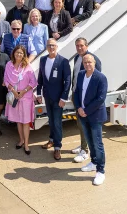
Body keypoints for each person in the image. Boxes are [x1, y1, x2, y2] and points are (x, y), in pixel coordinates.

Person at [73, 54, 108, 186]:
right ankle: (93, 162)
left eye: (90, 62)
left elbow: (100, 99)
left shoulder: (101, 78)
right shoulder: (81, 74)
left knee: (98, 143)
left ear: (94, 63)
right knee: (89, 141)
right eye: (85, 62)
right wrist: (78, 108)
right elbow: (76, 93)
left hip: (95, 116)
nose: (87, 64)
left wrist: (86, 111)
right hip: (82, 114)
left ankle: (101, 171)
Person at [36, 39, 71, 160]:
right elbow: (40, 77)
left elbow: (68, 81)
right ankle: (51, 140)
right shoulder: (43, 60)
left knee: (57, 122)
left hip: (58, 98)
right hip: (47, 96)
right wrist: (39, 93)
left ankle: (57, 147)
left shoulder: (63, 61)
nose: (51, 47)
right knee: (50, 119)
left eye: (53, 45)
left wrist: (64, 97)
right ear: (46, 47)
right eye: (49, 45)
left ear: (57, 46)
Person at [71, 37, 103, 163]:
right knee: (80, 123)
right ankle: (84, 145)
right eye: (77, 46)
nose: (79, 48)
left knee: (86, 123)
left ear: (87, 46)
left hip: (87, 98)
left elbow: (97, 80)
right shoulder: (76, 58)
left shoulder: (93, 60)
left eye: (81, 45)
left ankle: (85, 151)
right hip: (77, 95)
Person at [3, 45, 37, 155]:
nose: (19, 54)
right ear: (13, 53)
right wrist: (13, 91)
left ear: (24, 55)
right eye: (17, 52)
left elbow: (33, 82)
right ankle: (21, 140)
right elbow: (6, 80)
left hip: (26, 97)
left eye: (21, 53)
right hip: (14, 97)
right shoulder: (9, 65)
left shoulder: (27, 66)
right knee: (18, 120)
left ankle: (26, 144)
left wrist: (23, 91)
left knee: (26, 121)